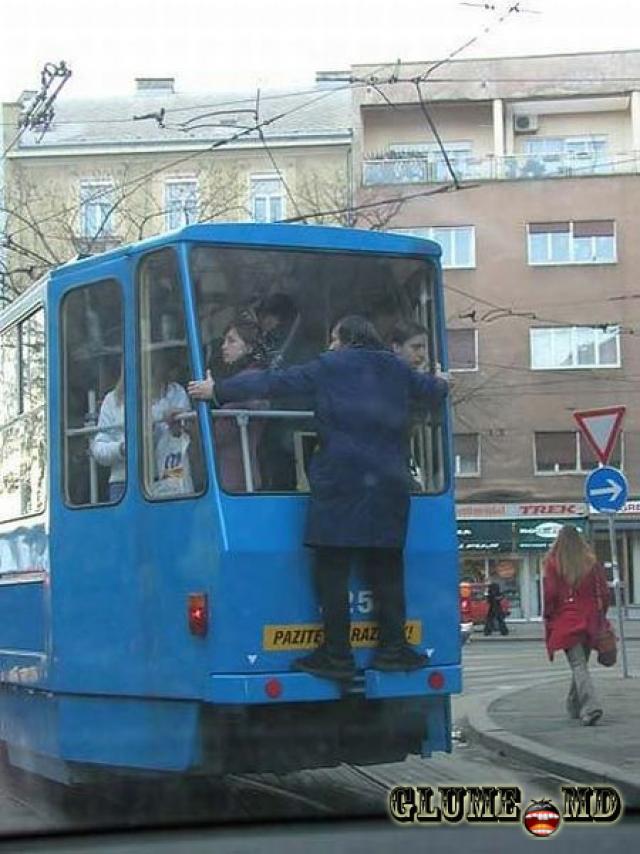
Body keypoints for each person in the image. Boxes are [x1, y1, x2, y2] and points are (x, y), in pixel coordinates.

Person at [188, 314, 448, 681]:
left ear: (347, 339)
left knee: (332, 570)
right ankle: (394, 650)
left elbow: (275, 382)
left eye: (334, 339)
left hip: (340, 483)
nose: (331, 346)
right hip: (389, 485)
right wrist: (443, 382)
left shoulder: (331, 366)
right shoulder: (397, 368)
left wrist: (216, 391)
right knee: (388, 569)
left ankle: (337, 655)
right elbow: (433, 391)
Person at [543, 525, 610, 726]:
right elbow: (604, 592)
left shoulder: (553, 563)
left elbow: (550, 595)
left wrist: (549, 617)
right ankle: (573, 705)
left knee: (578, 665)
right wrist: (601, 615)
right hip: (590, 620)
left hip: (566, 621)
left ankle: (590, 707)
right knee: (581, 665)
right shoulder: (590, 562)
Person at [210, 318, 268, 492]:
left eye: (232, 341)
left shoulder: (247, 382)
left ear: (249, 348)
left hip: (233, 478)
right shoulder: (255, 378)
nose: (224, 347)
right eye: (224, 341)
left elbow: (219, 434)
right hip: (244, 473)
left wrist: (188, 423)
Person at [91, 372, 126, 502]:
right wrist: (121, 449)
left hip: (165, 479)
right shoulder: (113, 400)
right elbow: (99, 449)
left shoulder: (174, 393)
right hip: (121, 482)